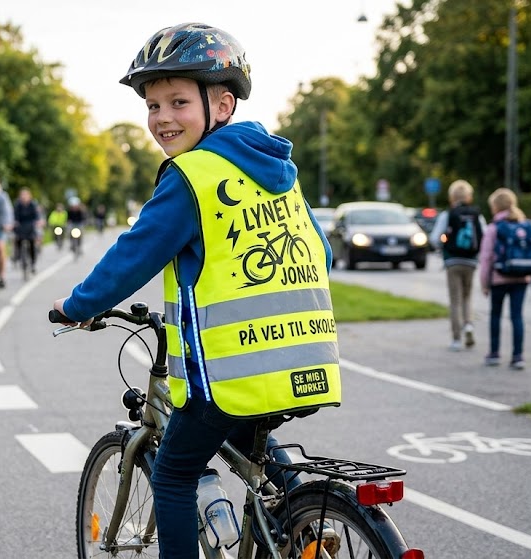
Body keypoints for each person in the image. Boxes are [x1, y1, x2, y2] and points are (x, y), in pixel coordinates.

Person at [52, 23, 340, 559]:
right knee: (253, 438)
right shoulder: (280, 170)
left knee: (174, 473)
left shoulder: (192, 176)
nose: (162, 118)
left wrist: (76, 305)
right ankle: (301, 514)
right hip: (308, 355)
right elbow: (320, 255)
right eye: (153, 105)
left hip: (233, 369)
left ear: (223, 103)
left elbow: (133, 255)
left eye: (178, 101)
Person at [478, 187, 531, 370]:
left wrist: (484, 283)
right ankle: (518, 356)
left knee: (496, 315)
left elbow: (486, 258)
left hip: (499, 278)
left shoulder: (494, 228)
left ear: (495, 207)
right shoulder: (527, 226)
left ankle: (494, 353)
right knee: (517, 316)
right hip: (522, 278)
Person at [429, 179, 487, 351]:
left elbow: (434, 238)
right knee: (467, 296)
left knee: (455, 300)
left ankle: (456, 338)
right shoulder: (477, 215)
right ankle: (468, 324)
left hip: (452, 261)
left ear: (451, 197)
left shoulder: (448, 215)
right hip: (471, 261)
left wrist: (444, 245)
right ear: (469, 196)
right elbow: (484, 236)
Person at [13, 187, 44, 273]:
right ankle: (18, 256)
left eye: (25, 195)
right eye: (22, 195)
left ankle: (33, 262)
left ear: (29, 196)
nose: (24, 197)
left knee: (32, 243)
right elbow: (15, 216)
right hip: (21, 225)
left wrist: (39, 221)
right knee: (17, 240)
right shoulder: (17, 205)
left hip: (31, 225)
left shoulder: (33, 204)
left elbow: (37, 215)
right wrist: (14, 222)